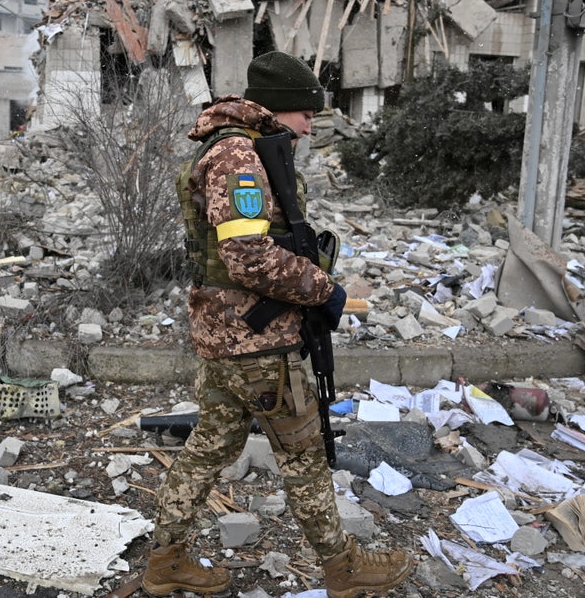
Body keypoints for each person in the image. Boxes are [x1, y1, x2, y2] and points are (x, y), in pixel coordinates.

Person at [146, 51, 414, 598]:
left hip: (231, 338)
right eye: (305, 114)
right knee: (304, 455)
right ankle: (344, 569)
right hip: (256, 343)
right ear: (278, 108)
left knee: (211, 447)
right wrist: (325, 289)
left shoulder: (239, 147)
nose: (310, 126)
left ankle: (165, 561)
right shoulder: (238, 155)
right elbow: (247, 255)